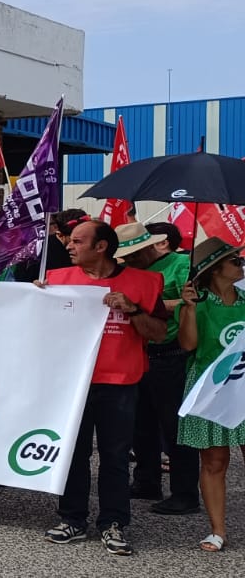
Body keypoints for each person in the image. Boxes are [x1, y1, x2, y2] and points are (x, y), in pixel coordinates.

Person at [38, 219, 166, 556]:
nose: (69, 246)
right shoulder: (56, 280)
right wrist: (35, 299)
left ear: (101, 247)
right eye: (69, 240)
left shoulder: (144, 282)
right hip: (73, 383)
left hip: (120, 383)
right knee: (73, 453)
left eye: (77, 241)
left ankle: (113, 522)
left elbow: (159, 333)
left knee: (115, 456)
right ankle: (72, 518)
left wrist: (133, 309)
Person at [116, 222, 200, 515]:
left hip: (172, 352)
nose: (132, 260)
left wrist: (152, 304)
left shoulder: (182, 265)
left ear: (152, 245)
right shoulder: (127, 271)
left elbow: (193, 300)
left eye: (136, 254)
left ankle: (185, 492)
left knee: (174, 427)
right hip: (139, 350)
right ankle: (146, 479)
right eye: (127, 256)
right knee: (141, 423)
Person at [177, 238, 245, 553]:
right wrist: (189, 309)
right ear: (215, 268)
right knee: (215, 460)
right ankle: (218, 530)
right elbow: (188, 345)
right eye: (235, 261)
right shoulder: (197, 303)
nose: (241, 265)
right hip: (210, 386)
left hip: (242, 382)